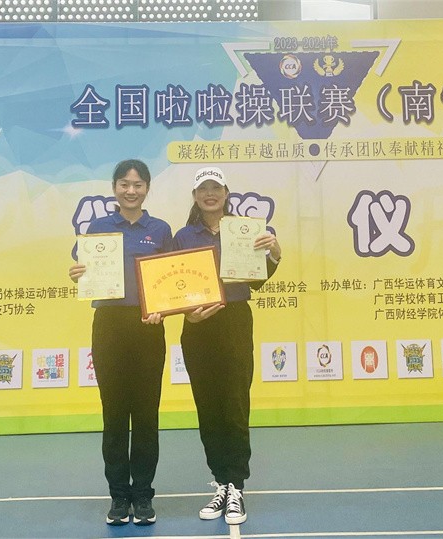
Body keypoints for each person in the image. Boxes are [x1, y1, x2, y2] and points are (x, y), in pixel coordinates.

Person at [173, 166, 281, 525]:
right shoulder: (183, 237)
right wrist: (188, 314)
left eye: (215, 188)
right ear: (195, 196)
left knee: (235, 404)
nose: (210, 194)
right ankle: (221, 483)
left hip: (234, 321)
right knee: (208, 407)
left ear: (225, 193)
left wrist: (274, 252)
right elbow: (173, 287)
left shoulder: (244, 230)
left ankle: (237, 486)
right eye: (203, 189)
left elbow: (258, 280)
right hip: (197, 327)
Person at [68, 159, 172, 527]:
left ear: (147, 189)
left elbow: (170, 280)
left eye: (138, 184)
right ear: (114, 187)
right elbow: (83, 271)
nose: (131, 190)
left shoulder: (160, 230)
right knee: (113, 416)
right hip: (109, 326)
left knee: (145, 416)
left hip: (147, 328)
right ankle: (118, 496)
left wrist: (163, 307)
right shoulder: (98, 228)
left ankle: (142, 495)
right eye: (124, 184)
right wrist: (77, 274)